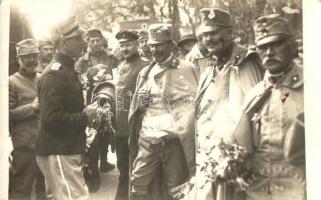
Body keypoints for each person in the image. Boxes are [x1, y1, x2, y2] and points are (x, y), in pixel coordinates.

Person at [233, 14, 305, 200]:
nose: (269, 52)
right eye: (263, 47)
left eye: (276, 44)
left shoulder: (311, 89)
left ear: (293, 46)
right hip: (259, 192)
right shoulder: (254, 94)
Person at [194, 8, 264, 199]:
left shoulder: (245, 62)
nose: (208, 39)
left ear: (229, 33)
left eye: (214, 33)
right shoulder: (210, 65)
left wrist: (249, 163)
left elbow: (259, 114)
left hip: (236, 163)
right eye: (205, 34)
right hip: (210, 161)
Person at [128, 23, 198, 200]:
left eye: (159, 45)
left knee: (177, 188)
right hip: (148, 139)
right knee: (138, 183)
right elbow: (139, 107)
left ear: (171, 45)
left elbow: (194, 106)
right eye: (152, 45)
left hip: (173, 141)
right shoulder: (146, 71)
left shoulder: (186, 69)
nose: (155, 49)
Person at [35, 15, 98, 200]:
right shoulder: (55, 74)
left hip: (63, 148)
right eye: (78, 38)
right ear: (63, 43)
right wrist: (85, 116)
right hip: (59, 150)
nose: (83, 42)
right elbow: (51, 119)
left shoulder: (66, 70)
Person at [9, 39, 46, 200]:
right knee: (21, 189)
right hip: (24, 146)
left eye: (34, 56)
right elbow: (7, 114)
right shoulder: (11, 82)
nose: (32, 60)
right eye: (26, 57)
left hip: (45, 142)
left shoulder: (44, 78)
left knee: (45, 188)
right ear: (19, 59)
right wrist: (33, 107)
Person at [114, 30, 149, 200]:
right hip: (120, 128)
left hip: (136, 127)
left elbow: (146, 101)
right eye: (121, 45)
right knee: (123, 167)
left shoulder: (145, 66)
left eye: (128, 44)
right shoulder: (121, 66)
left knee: (135, 170)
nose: (124, 48)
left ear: (137, 44)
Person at [77, 28, 116, 175]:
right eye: (91, 41)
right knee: (93, 132)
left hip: (108, 96)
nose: (95, 43)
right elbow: (78, 77)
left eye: (97, 40)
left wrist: (108, 77)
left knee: (107, 129)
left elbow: (118, 73)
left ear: (102, 41)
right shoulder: (82, 60)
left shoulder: (112, 57)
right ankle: (92, 167)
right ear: (87, 43)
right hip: (89, 99)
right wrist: (91, 71)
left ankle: (104, 162)